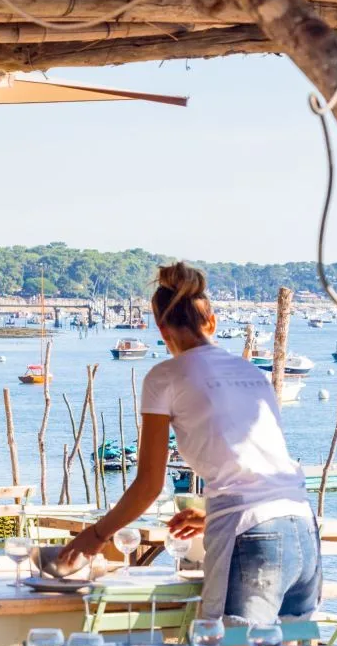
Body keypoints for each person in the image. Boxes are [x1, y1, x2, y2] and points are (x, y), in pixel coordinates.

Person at [57, 262, 320, 622]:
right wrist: (213, 515)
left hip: (252, 535)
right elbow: (260, 469)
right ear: (210, 320)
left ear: (161, 329)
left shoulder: (164, 377)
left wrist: (97, 534)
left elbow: (149, 483)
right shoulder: (249, 371)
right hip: (301, 525)